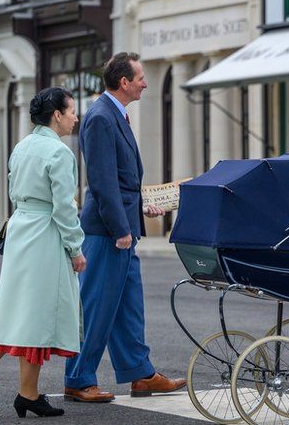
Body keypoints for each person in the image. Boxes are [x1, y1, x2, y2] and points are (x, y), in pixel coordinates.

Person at [0, 87, 86, 419]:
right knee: (29, 315)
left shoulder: (23, 146)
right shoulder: (59, 153)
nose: (75, 117)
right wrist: (76, 248)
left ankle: (27, 393)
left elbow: (19, 192)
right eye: (72, 111)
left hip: (22, 229)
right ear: (57, 114)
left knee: (27, 313)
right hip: (45, 235)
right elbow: (63, 208)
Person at [64, 52, 183, 402]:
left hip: (123, 226)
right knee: (96, 304)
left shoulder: (115, 115)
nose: (146, 83)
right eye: (141, 77)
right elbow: (101, 182)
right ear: (124, 83)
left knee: (129, 304)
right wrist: (120, 228)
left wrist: (142, 206)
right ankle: (77, 378)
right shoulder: (101, 117)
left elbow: (121, 180)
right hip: (107, 232)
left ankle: (140, 373)